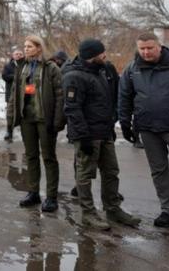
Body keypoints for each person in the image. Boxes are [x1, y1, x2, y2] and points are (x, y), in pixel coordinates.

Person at [62, 39, 140, 229]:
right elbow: (72, 109)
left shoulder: (103, 71)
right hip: (87, 135)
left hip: (105, 132)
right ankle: (88, 213)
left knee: (111, 171)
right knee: (85, 174)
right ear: (91, 55)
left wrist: (111, 125)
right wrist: (83, 137)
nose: (105, 56)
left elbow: (110, 99)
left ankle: (113, 209)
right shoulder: (74, 76)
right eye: (101, 53)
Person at [119, 32, 169, 229]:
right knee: (158, 170)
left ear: (159, 46)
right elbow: (124, 97)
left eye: (150, 48)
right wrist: (125, 122)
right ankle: (168, 210)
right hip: (148, 128)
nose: (146, 52)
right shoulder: (132, 70)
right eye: (142, 48)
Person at [7, 35, 65, 212]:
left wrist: (57, 121)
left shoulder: (51, 68)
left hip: (44, 119)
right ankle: (33, 192)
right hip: (27, 119)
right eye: (25, 46)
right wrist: (10, 116)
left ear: (39, 48)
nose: (26, 49)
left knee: (48, 157)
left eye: (30, 46)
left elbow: (60, 96)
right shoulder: (22, 67)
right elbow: (14, 94)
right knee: (30, 156)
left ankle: (51, 197)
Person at [1, 46, 23, 142]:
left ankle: (25, 133)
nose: (18, 56)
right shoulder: (8, 66)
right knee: (10, 114)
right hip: (11, 93)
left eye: (20, 54)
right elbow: (4, 76)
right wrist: (16, 77)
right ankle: (9, 132)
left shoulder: (26, 65)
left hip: (23, 94)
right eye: (16, 54)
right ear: (13, 56)